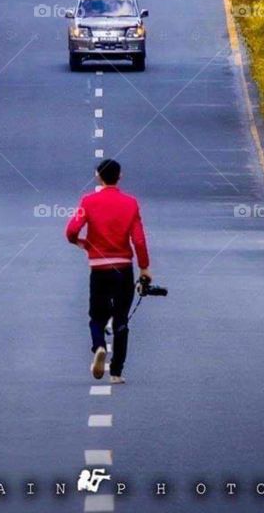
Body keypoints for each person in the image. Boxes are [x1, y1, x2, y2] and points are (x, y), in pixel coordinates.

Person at [65, 158, 150, 384]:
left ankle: (99, 346)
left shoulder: (88, 201)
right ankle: (116, 372)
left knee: (97, 316)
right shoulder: (131, 203)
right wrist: (144, 267)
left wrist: (83, 244)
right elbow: (139, 240)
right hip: (123, 268)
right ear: (119, 176)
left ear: (98, 176)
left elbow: (71, 230)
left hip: (99, 268)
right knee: (121, 319)